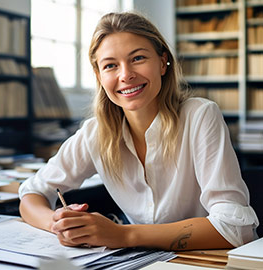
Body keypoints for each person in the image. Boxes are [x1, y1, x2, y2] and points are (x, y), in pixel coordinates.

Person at [19, 11, 259, 251]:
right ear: (99, 76)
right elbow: (32, 193)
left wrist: (123, 235)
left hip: (204, 260)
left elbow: (235, 229)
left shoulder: (199, 116)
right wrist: (58, 224)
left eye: (138, 58)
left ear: (163, 62)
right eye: (111, 65)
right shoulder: (95, 132)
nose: (125, 75)